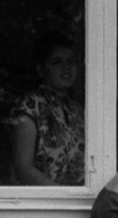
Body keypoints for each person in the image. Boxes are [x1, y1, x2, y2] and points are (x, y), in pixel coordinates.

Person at [8, 32, 85, 186]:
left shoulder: (77, 110)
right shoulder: (30, 106)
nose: (66, 67)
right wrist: (61, 196)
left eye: (71, 61)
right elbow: (23, 168)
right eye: (57, 62)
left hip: (78, 198)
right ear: (41, 70)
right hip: (43, 198)